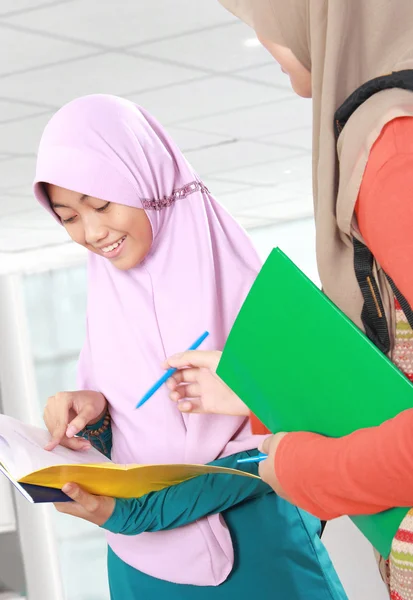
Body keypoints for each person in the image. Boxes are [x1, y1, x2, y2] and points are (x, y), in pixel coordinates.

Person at [33, 94, 345, 599]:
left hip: (256, 555)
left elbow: (305, 435)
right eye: (67, 216)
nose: (90, 233)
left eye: (101, 204)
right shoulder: (108, 300)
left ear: (149, 182)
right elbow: (131, 446)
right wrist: (94, 417)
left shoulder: (251, 289)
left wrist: (136, 513)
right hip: (140, 568)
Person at [164, 0, 413, 597]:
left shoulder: (392, 155)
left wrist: (309, 471)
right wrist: (260, 394)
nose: (264, 40)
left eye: (262, 20)